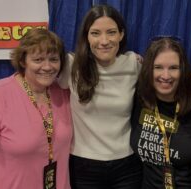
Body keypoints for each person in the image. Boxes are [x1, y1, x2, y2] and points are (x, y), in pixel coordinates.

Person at [57, 4, 142, 189]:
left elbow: (165, 79)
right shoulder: (71, 65)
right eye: (95, 33)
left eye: (111, 32)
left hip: (127, 165)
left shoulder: (133, 64)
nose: (104, 41)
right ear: (86, 37)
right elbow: (40, 80)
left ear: (121, 34)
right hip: (83, 165)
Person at [130, 37, 191, 188]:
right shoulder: (140, 96)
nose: (165, 76)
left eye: (173, 68)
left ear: (183, 70)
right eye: (158, 67)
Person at [0, 28, 72, 189]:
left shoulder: (65, 93)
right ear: (23, 61)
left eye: (53, 59)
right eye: (38, 60)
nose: (47, 66)